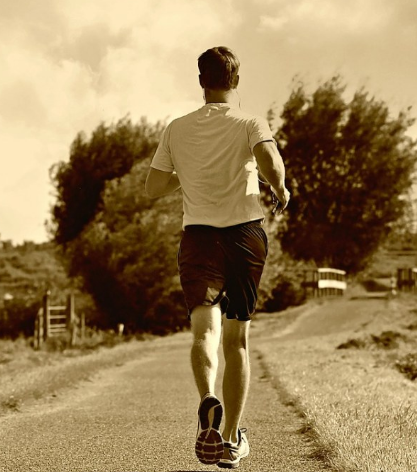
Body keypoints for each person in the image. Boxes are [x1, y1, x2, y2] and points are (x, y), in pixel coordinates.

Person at [145, 46, 290, 469]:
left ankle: (208, 397)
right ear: (236, 81)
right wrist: (279, 188)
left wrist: (191, 173)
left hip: (199, 238)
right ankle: (230, 439)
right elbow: (269, 161)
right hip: (244, 236)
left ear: (201, 81)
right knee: (236, 339)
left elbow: (153, 187)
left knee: (203, 332)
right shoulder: (250, 122)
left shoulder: (177, 128)